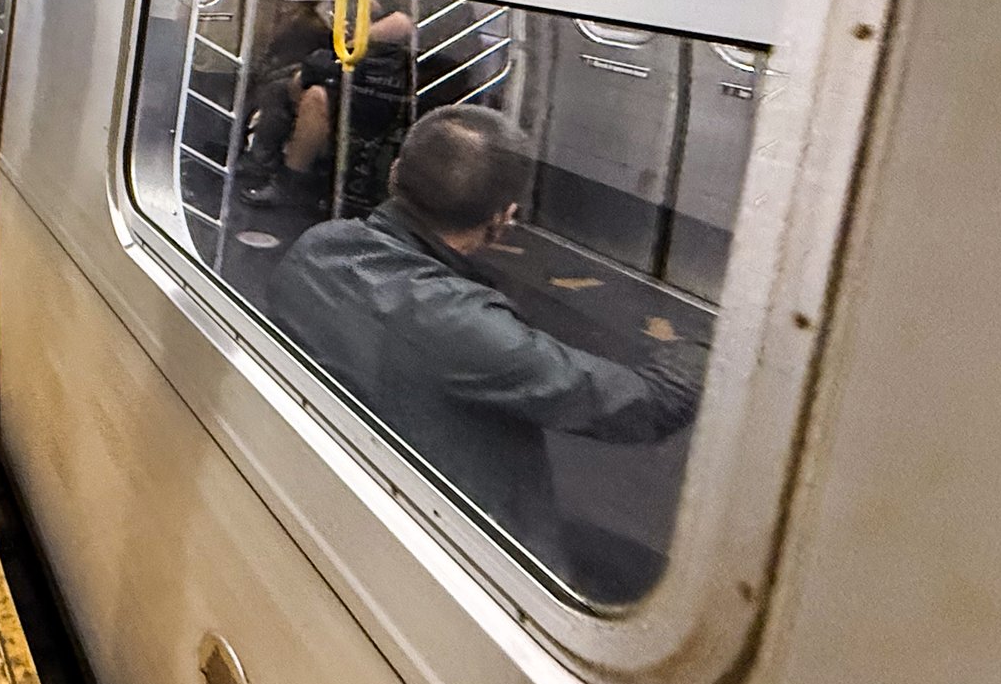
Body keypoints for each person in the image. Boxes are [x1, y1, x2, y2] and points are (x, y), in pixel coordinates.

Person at [266, 104, 705, 580]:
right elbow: (640, 405)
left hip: (337, 484)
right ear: (503, 219)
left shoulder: (317, 246)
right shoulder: (464, 324)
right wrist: (705, 355)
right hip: (451, 544)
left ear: (395, 174)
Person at [236, 0, 415, 214]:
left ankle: (291, 183)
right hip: (348, 73)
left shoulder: (403, 3)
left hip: (378, 88)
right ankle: (262, 159)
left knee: (316, 99)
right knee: (278, 86)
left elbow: (403, 24)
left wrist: (355, 40)